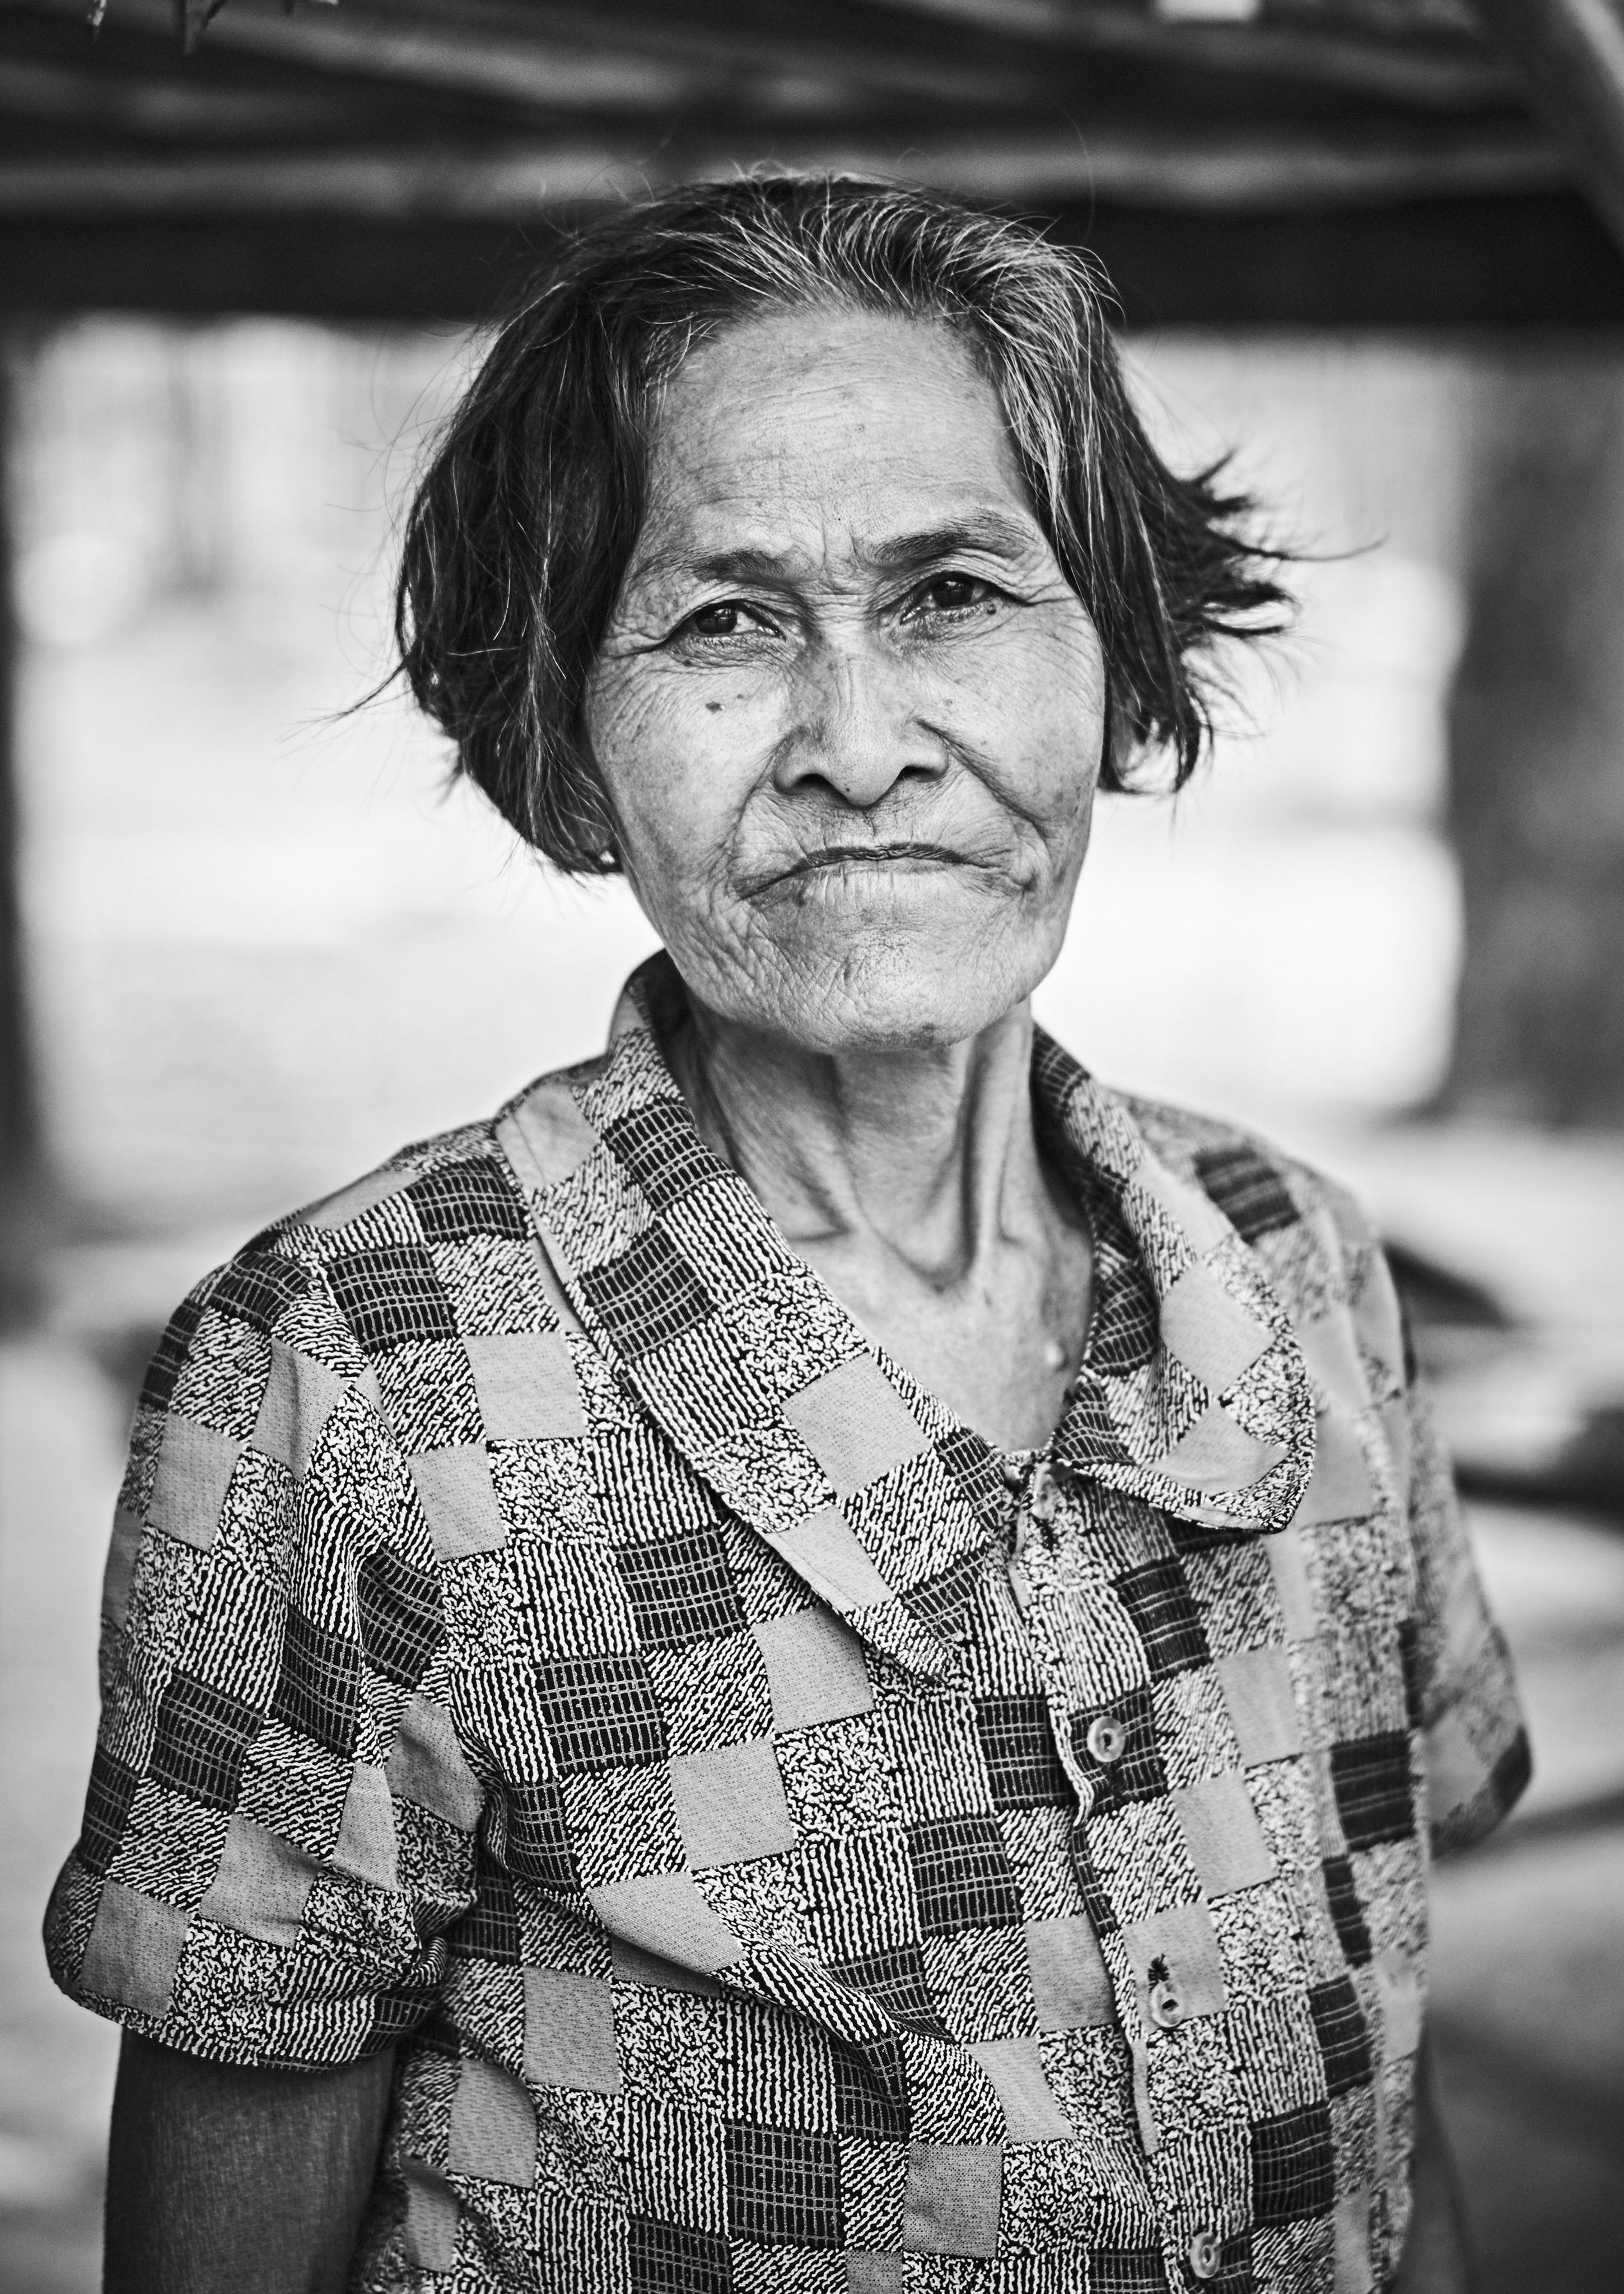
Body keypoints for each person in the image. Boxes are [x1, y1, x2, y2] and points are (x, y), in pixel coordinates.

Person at [46, 175, 1527, 2294]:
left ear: (1116, 675)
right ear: (566, 758)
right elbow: (232, 2177)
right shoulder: (360, 1371)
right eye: (724, 623)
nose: (858, 747)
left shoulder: (1299, 1276)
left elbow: (1381, 2094)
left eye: (949, 596)